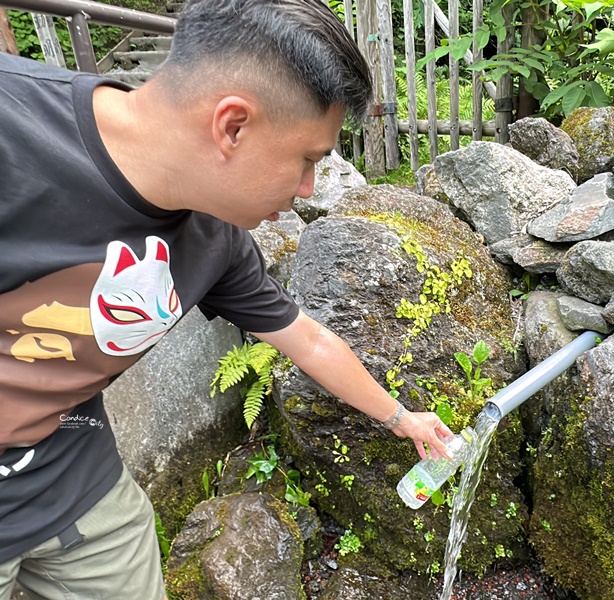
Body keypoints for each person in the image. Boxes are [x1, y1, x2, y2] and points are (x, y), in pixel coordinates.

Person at [0, 0, 453, 597]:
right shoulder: (16, 131)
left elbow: (310, 341)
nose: (307, 191)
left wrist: (401, 418)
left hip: (75, 479)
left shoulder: (216, 242)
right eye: (308, 161)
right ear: (232, 126)